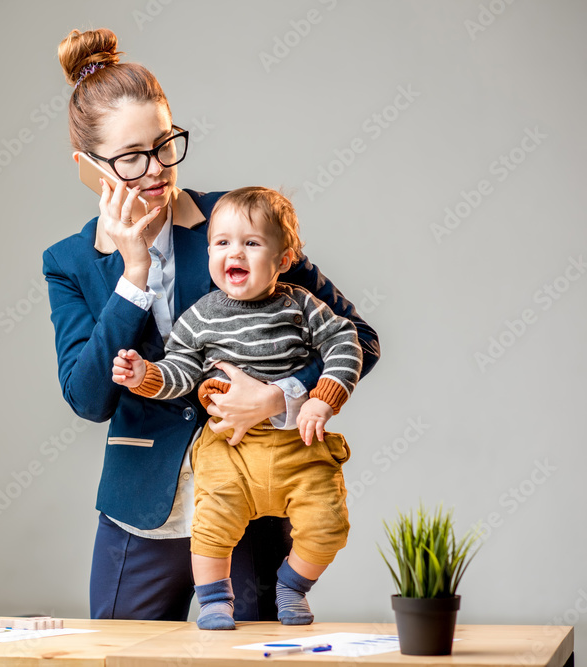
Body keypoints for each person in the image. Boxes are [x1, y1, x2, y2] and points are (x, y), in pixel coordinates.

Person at [42, 27, 380, 622]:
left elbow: (358, 336)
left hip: (255, 500)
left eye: (165, 143)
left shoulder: (246, 222)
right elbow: (89, 398)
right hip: (143, 508)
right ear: (87, 167)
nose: (155, 170)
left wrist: (279, 397)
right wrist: (134, 273)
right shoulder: (69, 263)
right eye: (130, 157)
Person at [112, 186, 361, 629]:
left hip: (297, 443)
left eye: (252, 243)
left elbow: (346, 340)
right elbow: (180, 371)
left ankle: (293, 584)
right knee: (211, 523)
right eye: (222, 243)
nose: (235, 253)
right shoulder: (201, 316)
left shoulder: (300, 305)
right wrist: (144, 376)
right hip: (230, 446)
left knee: (328, 523)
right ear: (209, 253)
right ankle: (213, 600)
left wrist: (321, 398)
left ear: (283, 260)